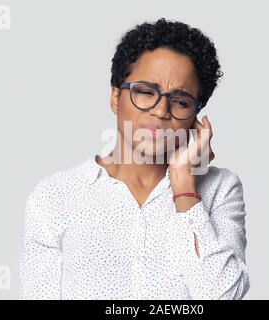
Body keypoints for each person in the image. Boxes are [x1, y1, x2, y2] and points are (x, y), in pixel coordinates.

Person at [19, 18, 250, 299]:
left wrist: (184, 187)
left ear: (194, 117)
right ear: (116, 97)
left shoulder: (220, 189)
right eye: (145, 92)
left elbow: (224, 296)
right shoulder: (55, 197)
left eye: (180, 101)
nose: (161, 110)